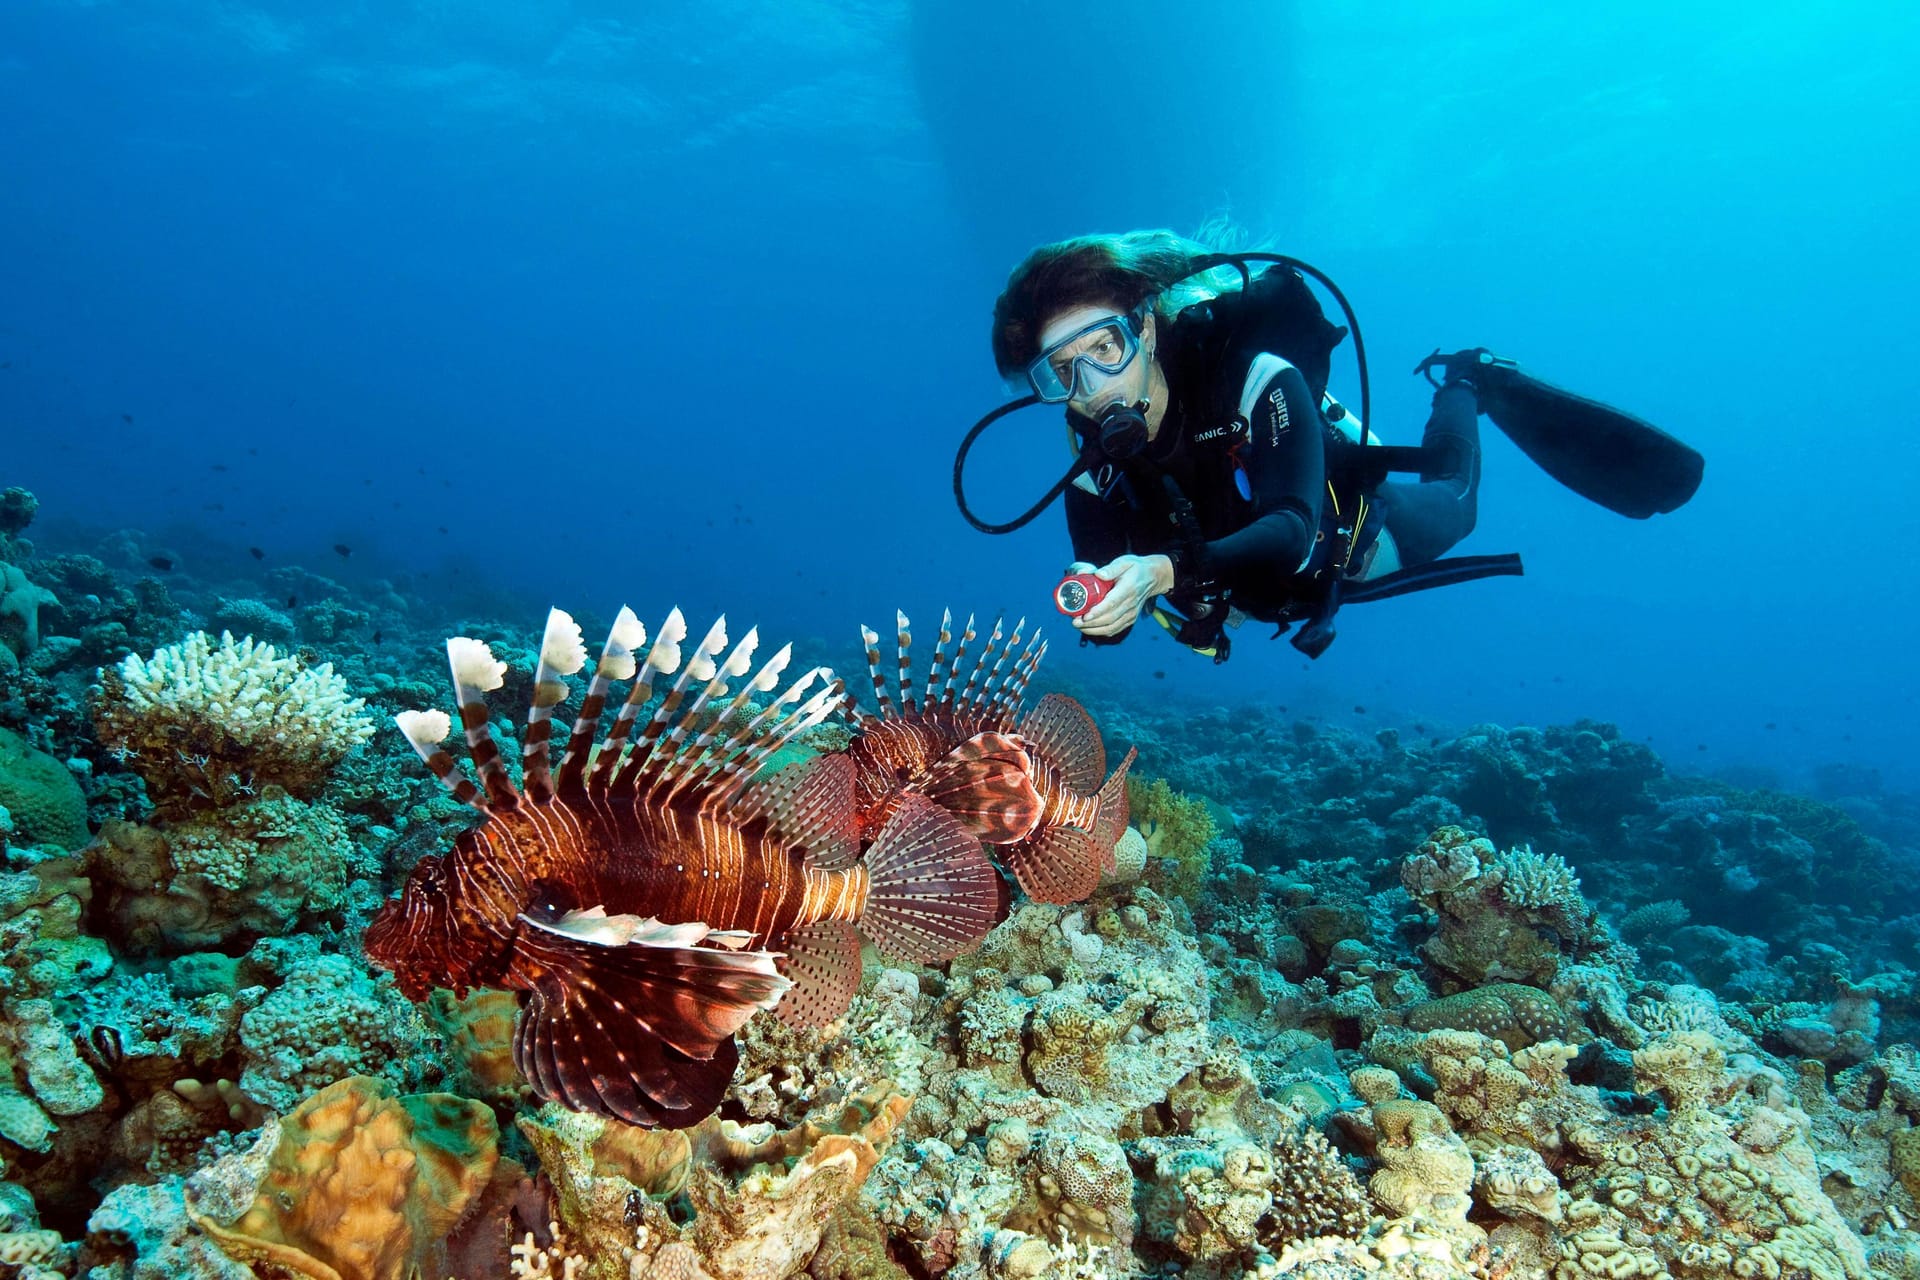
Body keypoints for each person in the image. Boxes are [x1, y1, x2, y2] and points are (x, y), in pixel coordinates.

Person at [961, 231, 1703, 660]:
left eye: (1107, 346)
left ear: (1146, 327)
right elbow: (1096, 569)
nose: (1095, 387)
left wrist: (1157, 571)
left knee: (1458, 499)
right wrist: (1098, 602)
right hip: (1238, 592)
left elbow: (1289, 529)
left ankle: (1471, 385)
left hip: (1350, 537)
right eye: (1064, 372)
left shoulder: (1254, 376)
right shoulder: (1087, 441)